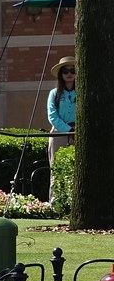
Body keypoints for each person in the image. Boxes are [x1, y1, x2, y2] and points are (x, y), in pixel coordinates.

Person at [47, 56, 76, 201]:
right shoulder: (54, 93)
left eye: (73, 70)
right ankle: (54, 204)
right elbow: (52, 116)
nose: (69, 73)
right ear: (61, 74)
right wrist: (68, 129)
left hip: (78, 132)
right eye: (65, 71)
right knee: (56, 168)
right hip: (59, 132)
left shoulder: (81, 92)